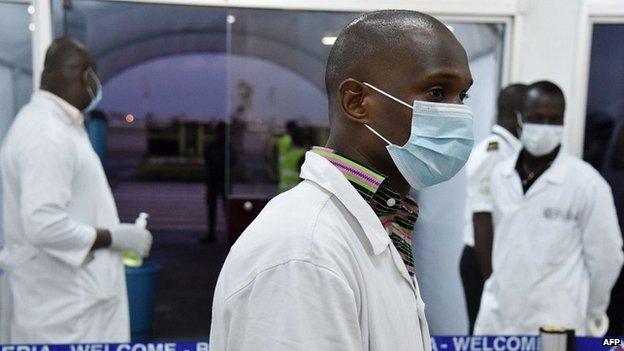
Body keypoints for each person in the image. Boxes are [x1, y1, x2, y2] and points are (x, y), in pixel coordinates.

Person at [210, 10, 474, 351]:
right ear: (356, 101)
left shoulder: (378, 223)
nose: (458, 113)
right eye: (437, 92)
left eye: (462, 96)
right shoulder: (304, 251)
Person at [0, 37, 153, 343]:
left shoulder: (60, 125)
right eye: (93, 76)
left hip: (75, 305)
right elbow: (43, 225)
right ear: (85, 75)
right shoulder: (46, 133)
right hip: (65, 314)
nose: (96, 86)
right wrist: (114, 237)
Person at [474, 81, 624, 335]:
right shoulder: (501, 175)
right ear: (521, 118)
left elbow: (607, 259)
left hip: (557, 320)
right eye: (536, 118)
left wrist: (590, 309)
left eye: (553, 119)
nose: (544, 127)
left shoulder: (587, 184)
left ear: (563, 121)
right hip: (499, 317)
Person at [460, 84, 527, 333]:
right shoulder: (493, 153)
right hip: (482, 259)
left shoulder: (512, 151)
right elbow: (482, 219)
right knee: (483, 336)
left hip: (495, 258)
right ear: (515, 112)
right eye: (529, 113)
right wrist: (492, 281)